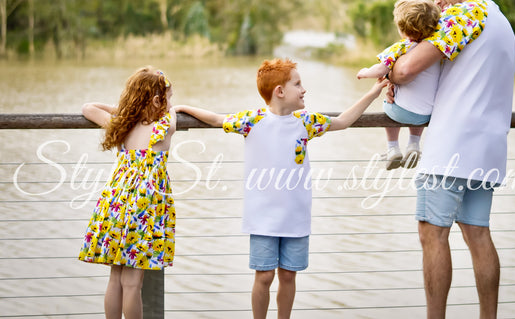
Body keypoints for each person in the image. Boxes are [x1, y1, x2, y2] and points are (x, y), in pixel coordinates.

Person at [175, 58, 388, 319]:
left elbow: (343, 121)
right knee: (263, 276)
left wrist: (373, 92)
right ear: (280, 92)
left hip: (296, 216)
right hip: (262, 217)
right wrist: (184, 107)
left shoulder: (306, 122)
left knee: (288, 275)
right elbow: (218, 119)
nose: (303, 89)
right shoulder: (252, 120)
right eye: (298, 84)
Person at [387, 0, 515, 318]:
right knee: (478, 234)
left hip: (451, 146)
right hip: (489, 145)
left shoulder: (466, 14)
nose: (437, 2)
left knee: (431, 232)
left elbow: (406, 68)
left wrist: (392, 69)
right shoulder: (500, 20)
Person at [78, 66, 177, 319]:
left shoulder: (122, 125)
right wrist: (176, 108)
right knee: (133, 284)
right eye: (168, 97)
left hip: (116, 204)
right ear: (157, 101)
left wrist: (124, 110)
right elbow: (173, 115)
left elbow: (88, 108)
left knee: (115, 279)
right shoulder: (163, 126)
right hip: (143, 209)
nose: (170, 104)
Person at [357, 0, 441, 170]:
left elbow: (380, 70)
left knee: (388, 105)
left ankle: (393, 148)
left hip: (401, 111)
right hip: (426, 115)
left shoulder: (401, 47)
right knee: (418, 105)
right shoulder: (435, 50)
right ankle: (413, 144)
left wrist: (364, 72)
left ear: (402, 28)